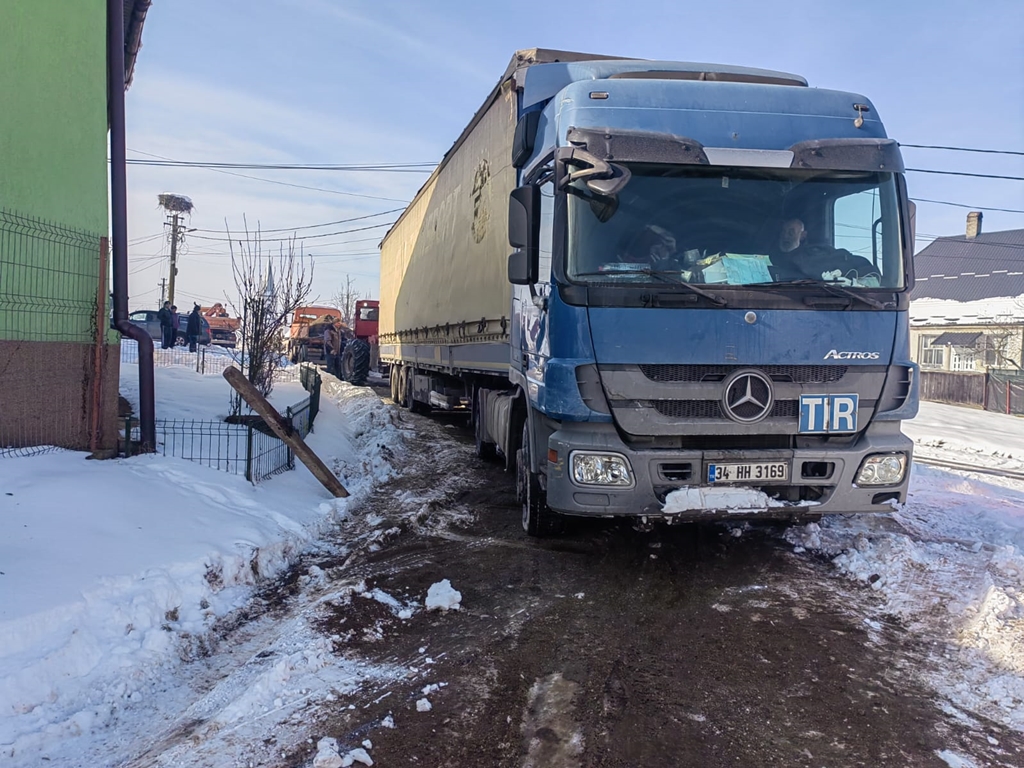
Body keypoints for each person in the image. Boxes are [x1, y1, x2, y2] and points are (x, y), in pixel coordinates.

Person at [769, 218, 881, 285]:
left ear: (803, 236)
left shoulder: (816, 255)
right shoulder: (770, 258)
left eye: (791, 233)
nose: (785, 236)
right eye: (783, 232)